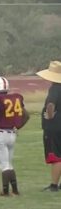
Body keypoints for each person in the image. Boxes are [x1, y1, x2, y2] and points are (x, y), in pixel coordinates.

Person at [0, 76, 30, 196]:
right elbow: (27, 116)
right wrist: (18, 127)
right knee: (9, 164)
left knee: (4, 166)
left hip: (1, 134)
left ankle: (5, 191)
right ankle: (15, 190)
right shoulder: (16, 97)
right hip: (12, 134)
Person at [36, 60, 61, 192]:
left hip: (55, 126)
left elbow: (51, 104)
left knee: (56, 156)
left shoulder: (55, 88)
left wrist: (50, 116)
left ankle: (53, 185)